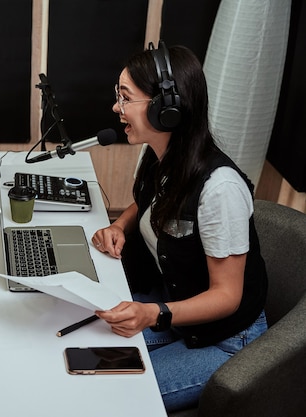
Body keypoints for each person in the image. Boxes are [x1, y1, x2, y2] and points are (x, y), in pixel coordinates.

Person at [91, 41, 268, 412]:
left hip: (227, 338)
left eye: (125, 98)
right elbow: (151, 199)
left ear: (165, 109)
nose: (116, 108)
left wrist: (154, 314)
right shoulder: (164, 156)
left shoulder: (220, 189)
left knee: (112, 395)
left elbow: (227, 296)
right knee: (83, 345)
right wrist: (122, 224)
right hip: (176, 309)